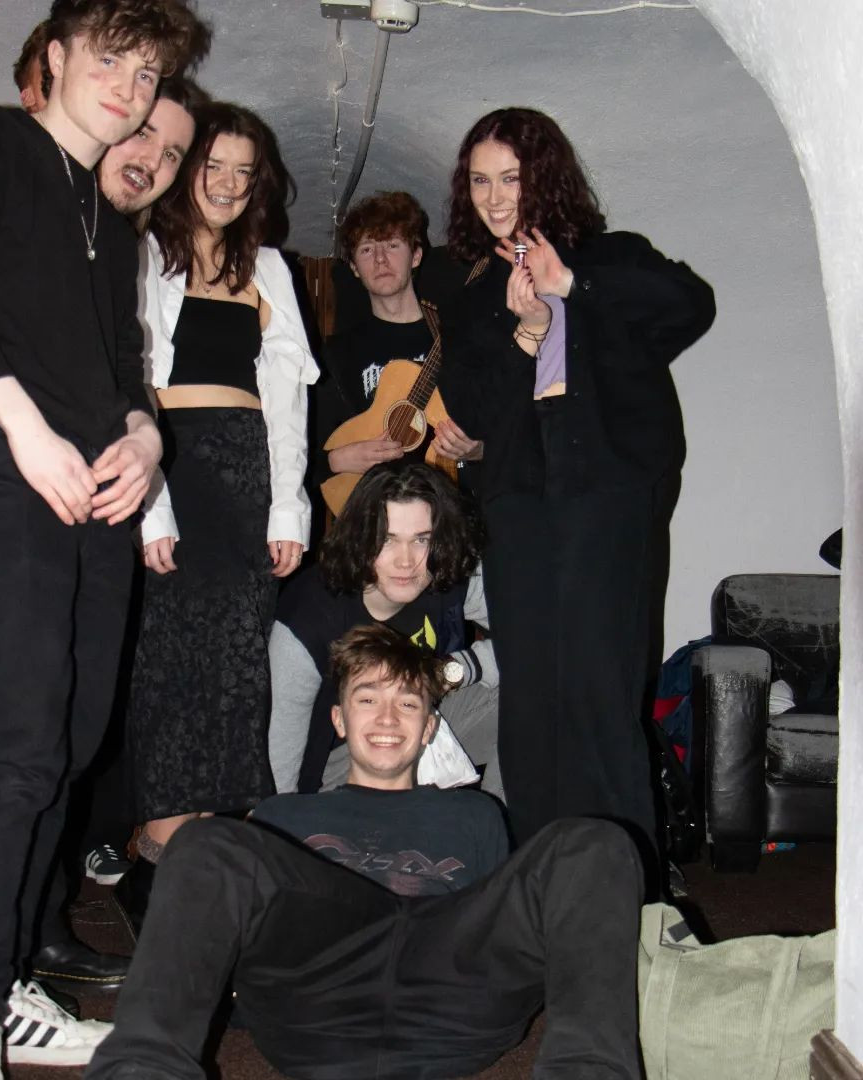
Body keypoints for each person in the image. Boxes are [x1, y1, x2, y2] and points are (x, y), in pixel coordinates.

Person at [0, 2, 206, 1076]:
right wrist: (24, 429)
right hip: (5, 464)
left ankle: (3, 980)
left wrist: (145, 439)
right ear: (58, 56)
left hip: (96, 491)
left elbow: (123, 367)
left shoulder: (110, 221)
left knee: (71, 744)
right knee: (14, 738)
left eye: (149, 72)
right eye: (112, 60)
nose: (130, 87)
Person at [86, 624, 643, 1080]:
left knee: (593, 843)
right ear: (339, 719)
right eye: (368, 698)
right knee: (205, 840)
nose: (387, 718)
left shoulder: (474, 814)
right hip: (317, 998)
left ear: (429, 728)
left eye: (407, 703)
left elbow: (495, 933)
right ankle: (142, 1069)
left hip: (450, 1001)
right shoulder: (285, 816)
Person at [437, 107, 715, 878]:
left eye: (511, 178)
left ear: (545, 177)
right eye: (480, 182)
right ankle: (539, 884)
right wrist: (526, 330)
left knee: (600, 693)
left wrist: (568, 285)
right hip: (520, 501)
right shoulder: (473, 292)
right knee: (532, 703)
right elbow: (471, 407)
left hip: (609, 495)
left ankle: (627, 888)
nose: (495, 198)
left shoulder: (611, 257)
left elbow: (690, 307)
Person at [127, 101, 318, 864]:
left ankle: (212, 846)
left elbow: (289, 404)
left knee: (237, 665)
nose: (230, 184)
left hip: (247, 475)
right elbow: (130, 386)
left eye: (245, 172)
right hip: (171, 466)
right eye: (215, 166)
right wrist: (151, 507)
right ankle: (160, 839)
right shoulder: (144, 253)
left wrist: (288, 508)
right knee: (171, 659)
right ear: (185, 168)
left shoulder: (268, 267)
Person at [268, 460, 503, 801]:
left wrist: (454, 669)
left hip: (424, 723)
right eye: (388, 540)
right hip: (341, 764)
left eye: (421, 540)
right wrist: (290, 822)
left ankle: (500, 827)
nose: (405, 562)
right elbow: (279, 766)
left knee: (538, 691)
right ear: (361, 539)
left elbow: (534, 640)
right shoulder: (309, 618)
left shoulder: (447, 569)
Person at [316, 190, 482, 493]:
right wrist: (336, 460)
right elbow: (296, 448)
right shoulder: (338, 354)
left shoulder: (456, 337)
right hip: (372, 507)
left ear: (416, 256)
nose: (380, 259)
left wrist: (478, 450)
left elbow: (507, 433)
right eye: (367, 249)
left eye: (392, 245)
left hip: (447, 503)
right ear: (353, 267)